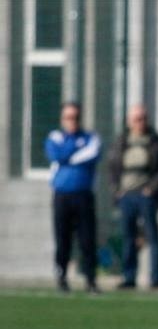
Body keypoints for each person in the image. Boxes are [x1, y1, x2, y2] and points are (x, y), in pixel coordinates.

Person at [107, 104, 158, 290]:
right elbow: (112, 166)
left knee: (152, 236)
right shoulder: (122, 141)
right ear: (129, 122)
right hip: (126, 195)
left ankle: (156, 278)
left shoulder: (156, 141)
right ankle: (129, 276)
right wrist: (116, 189)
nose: (140, 122)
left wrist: (152, 187)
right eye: (136, 119)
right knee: (129, 237)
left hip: (146, 195)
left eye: (143, 118)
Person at [45, 102, 102, 294]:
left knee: (87, 239)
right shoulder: (55, 137)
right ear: (62, 119)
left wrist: (68, 157)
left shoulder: (90, 137)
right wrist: (74, 153)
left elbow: (92, 154)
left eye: (76, 117)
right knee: (63, 239)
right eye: (69, 117)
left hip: (83, 195)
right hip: (62, 195)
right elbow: (56, 155)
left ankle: (91, 279)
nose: (72, 121)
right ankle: (61, 277)